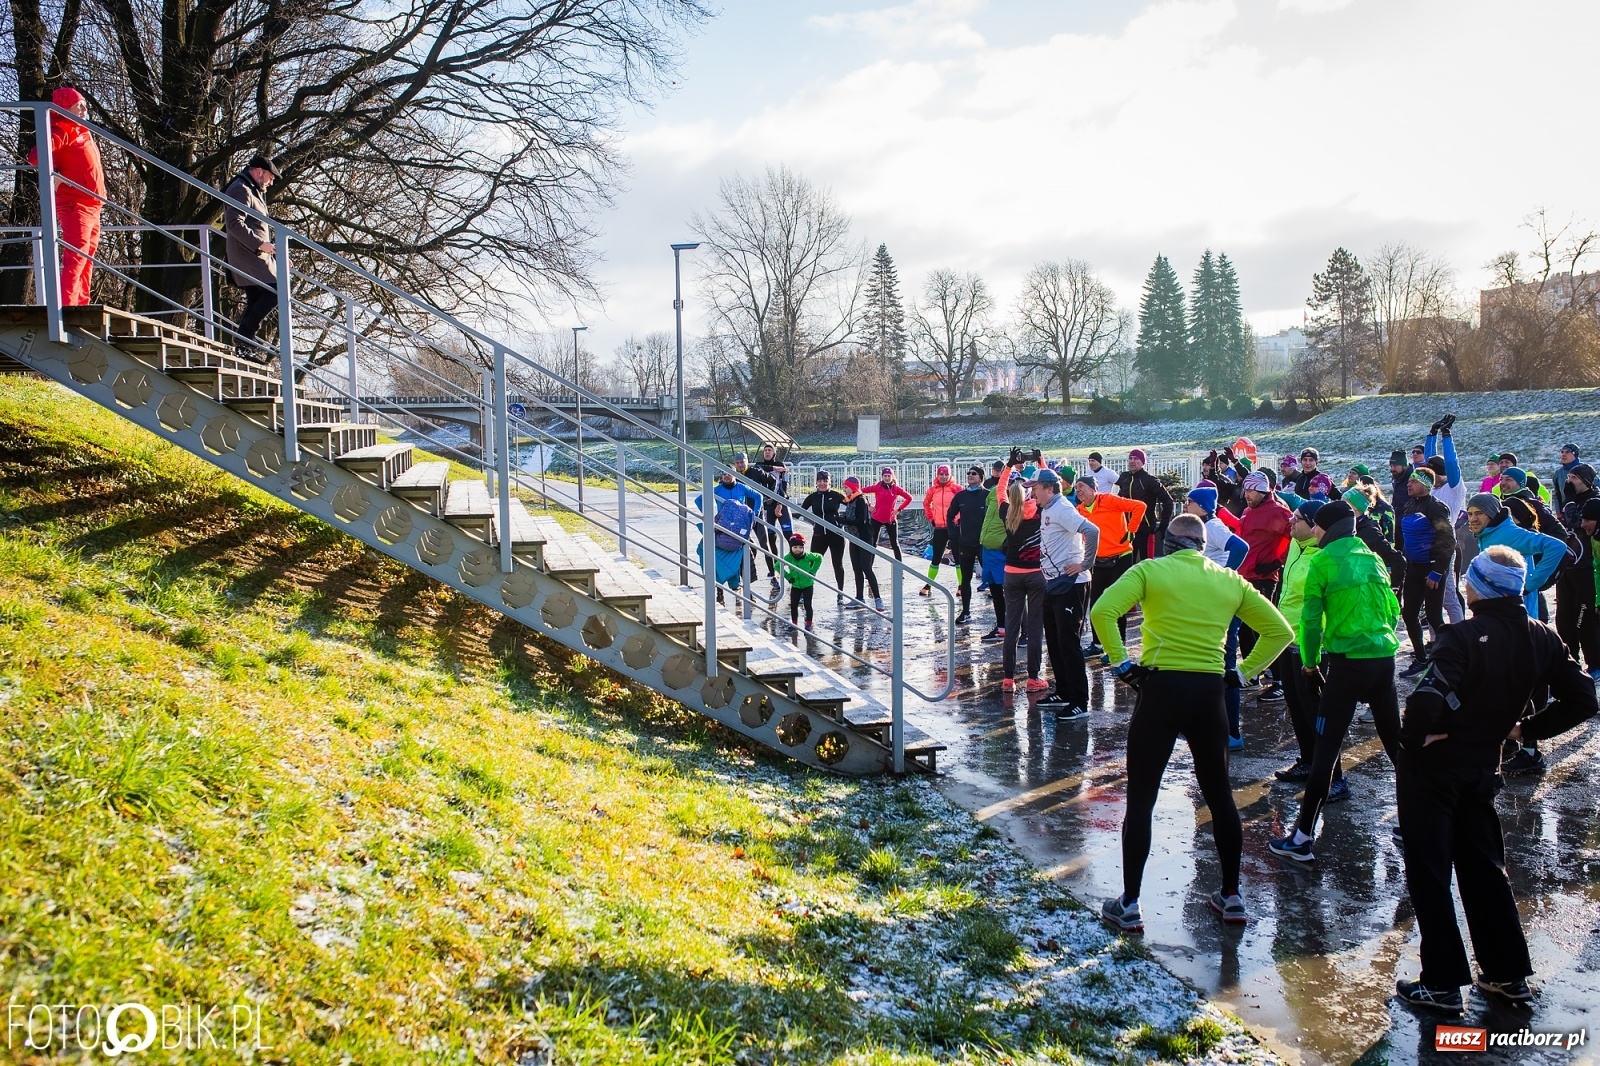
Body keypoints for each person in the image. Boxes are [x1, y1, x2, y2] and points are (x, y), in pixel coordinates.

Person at [1393, 546, 1597, 1015]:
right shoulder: (1540, 636)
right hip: (1485, 764)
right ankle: (1507, 974)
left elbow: (1424, 702)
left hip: (1434, 768)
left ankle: (1442, 984)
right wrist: (1523, 729)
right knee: (1485, 868)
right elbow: (1584, 699)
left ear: (1476, 587)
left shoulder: (1460, 636)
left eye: (1469, 580)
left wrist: (1414, 742)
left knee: (1429, 872)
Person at [1092, 514, 1292, 931]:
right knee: (1219, 794)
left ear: (1167, 543)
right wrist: (1242, 673)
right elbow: (1280, 631)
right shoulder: (1228, 580)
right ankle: (1232, 896)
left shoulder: (1150, 570)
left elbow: (1103, 611)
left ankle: (1130, 902)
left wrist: (1121, 663)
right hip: (1209, 692)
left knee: (1142, 797)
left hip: (1160, 688)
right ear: (1203, 545)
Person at [1270, 500, 1403, 864]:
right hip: (1383, 659)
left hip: (1346, 664)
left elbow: (1310, 623)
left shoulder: (1323, 561)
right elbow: (1392, 608)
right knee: (1396, 745)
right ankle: (1414, 818)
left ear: (1328, 528)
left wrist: (1311, 666)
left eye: (1317, 526)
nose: (1313, 531)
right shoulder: (1372, 556)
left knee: (1325, 750)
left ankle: (1301, 837)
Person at [1463, 492, 1571, 777]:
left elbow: (1557, 547)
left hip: (1519, 620)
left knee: (1525, 687)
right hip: (1500, 621)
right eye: (1470, 513)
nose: (1473, 518)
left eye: (1478, 514)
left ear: (1491, 514)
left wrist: (1531, 584)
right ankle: (1513, 743)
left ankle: (1531, 752)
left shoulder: (1510, 534)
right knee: (1508, 684)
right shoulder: (1489, 534)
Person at [1270, 501, 1344, 796]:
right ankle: (1308, 761)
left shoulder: (1324, 556)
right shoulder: (1294, 547)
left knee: (1318, 711)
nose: (1291, 521)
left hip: (1314, 643)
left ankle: (1334, 777)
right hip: (1288, 638)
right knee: (1296, 703)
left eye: (1298, 518)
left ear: (1313, 525)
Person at [27, 87, 104, 307]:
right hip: (75, 204)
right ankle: (68, 307)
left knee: (87, 258)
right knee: (76, 258)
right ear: (64, 107)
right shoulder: (63, 128)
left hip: (92, 204)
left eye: (84, 105)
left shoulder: (82, 130)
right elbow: (35, 156)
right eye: (77, 104)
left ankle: (81, 305)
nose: (83, 109)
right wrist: (56, 174)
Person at [1034, 468, 1098, 716]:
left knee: (1069, 643)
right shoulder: (1048, 508)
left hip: (1072, 583)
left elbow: (1092, 531)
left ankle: (1080, 701)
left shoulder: (1062, 508)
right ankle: (1063, 691)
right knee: (1054, 639)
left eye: (1036, 488)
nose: (1033, 493)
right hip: (1054, 583)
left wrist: (1085, 564)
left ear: (1049, 489)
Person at [1074, 474, 1147, 653]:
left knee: (1116, 602)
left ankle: (1118, 647)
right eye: (1076, 488)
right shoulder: (1079, 511)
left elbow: (1140, 506)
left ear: (1093, 489)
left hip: (1121, 557)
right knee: (1096, 604)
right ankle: (1098, 644)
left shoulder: (1109, 500)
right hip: (1098, 561)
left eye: (1081, 486)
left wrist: (1132, 531)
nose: (1078, 490)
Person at [223, 153, 284, 356]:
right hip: (248, 255)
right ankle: (244, 337)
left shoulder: (251, 190)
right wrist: (260, 245)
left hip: (257, 256)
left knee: (257, 298)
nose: (271, 181)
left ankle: (245, 346)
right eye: (270, 177)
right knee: (276, 291)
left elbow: (256, 226)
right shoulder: (240, 189)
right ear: (259, 172)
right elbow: (234, 224)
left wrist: (276, 253)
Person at [1398, 468, 1456, 674]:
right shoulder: (1409, 505)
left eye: (1414, 481)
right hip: (1414, 568)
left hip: (1432, 568)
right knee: (1409, 613)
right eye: (1409, 480)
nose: (1409, 484)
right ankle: (1422, 658)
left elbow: (1448, 540)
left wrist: (1438, 571)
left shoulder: (1435, 507)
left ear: (1426, 484)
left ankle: (1447, 658)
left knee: (1433, 616)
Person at [998, 475, 1047, 693]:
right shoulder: (1040, 510)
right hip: (1036, 573)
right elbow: (1052, 491)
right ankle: (1033, 678)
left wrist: (1008, 467)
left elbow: (1000, 488)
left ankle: (1008, 680)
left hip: (1011, 574)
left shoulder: (1007, 512)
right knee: (1035, 627)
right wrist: (1041, 463)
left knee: (1012, 627)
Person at [1424, 415, 1468, 623]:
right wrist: (1431, 434)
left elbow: (1451, 463)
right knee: (1431, 597)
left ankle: (1459, 634)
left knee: (1448, 596)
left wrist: (1446, 435)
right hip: (1427, 544)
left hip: (1445, 545)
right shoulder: (1432, 487)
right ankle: (1435, 638)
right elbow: (1428, 461)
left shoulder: (1454, 488)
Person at [695, 468, 760, 603]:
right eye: (723, 474)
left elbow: (758, 496)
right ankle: (719, 593)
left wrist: (755, 514)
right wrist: (709, 516)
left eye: (729, 473)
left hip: (739, 529)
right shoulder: (718, 489)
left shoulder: (741, 488)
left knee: (750, 551)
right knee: (713, 555)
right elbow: (699, 500)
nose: (726, 476)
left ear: (735, 475)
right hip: (722, 529)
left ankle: (746, 590)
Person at [1557, 463, 1598, 667]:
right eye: (1568, 477)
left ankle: (1595, 663)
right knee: (1564, 620)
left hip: (1586, 567)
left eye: (1573, 478)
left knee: (1585, 619)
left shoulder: (1594, 501)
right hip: (1567, 566)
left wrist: (1570, 500)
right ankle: (1569, 663)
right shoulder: (1569, 500)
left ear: (1585, 481)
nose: (1568, 482)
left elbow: (1576, 523)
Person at [945, 466, 989, 625]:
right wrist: (953, 534)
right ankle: (966, 611)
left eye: (974, 473)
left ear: (981, 477)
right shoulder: (961, 496)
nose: (970, 475)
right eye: (968, 473)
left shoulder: (987, 495)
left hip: (984, 544)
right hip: (965, 544)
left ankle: (1002, 616)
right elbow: (949, 515)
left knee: (994, 580)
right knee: (965, 579)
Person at [978, 462, 1013, 641]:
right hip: (987, 549)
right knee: (995, 592)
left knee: (1009, 594)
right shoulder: (993, 492)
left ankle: (1018, 630)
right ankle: (1001, 629)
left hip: (1001, 552)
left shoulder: (1015, 498)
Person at [800, 471, 847, 605]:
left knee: (837, 564)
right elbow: (800, 512)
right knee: (811, 563)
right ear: (816, 482)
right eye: (820, 481)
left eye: (825, 481)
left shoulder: (835, 495)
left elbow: (852, 506)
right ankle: (805, 592)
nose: (822, 483)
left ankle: (840, 594)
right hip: (819, 535)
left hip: (836, 535)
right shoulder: (812, 497)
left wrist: (842, 521)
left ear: (829, 482)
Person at [1117, 449, 1172, 562]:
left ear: (1143, 462)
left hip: (1144, 530)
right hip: (1126, 531)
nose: (1132, 461)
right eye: (1130, 458)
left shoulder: (1149, 480)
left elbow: (1168, 501)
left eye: (1136, 459)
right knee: (1127, 566)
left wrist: (1163, 524)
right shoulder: (1125, 478)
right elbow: (1119, 502)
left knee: (1146, 565)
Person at [733, 453, 780, 584]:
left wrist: (767, 497)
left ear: (747, 461)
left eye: (742, 462)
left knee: (765, 544)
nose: (740, 465)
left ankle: (773, 576)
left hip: (756, 514)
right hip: (741, 516)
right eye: (737, 463)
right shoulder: (733, 476)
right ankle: (741, 577)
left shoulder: (756, 472)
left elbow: (773, 480)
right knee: (740, 546)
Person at [838, 477, 882, 611]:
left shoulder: (861, 500)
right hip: (854, 538)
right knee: (856, 569)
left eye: (846, 487)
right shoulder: (851, 500)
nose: (844, 490)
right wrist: (841, 519)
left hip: (864, 538)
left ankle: (878, 599)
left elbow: (861, 521)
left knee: (866, 568)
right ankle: (859, 598)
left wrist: (843, 521)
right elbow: (850, 517)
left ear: (852, 487)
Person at [921, 465, 960, 596]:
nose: (943, 477)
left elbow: (964, 504)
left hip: (954, 527)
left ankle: (961, 586)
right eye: (941, 474)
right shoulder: (933, 490)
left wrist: (958, 519)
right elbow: (926, 504)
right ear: (937, 475)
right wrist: (931, 518)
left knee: (958, 558)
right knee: (936, 558)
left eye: (946, 474)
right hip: (939, 527)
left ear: (950, 475)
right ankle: (928, 584)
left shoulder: (956, 489)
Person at [861, 467, 912, 561]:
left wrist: (899, 509)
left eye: (889, 476)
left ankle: (899, 571)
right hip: (876, 518)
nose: (887, 478)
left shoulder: (896, 489)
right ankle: (869, 570)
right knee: (873, 543)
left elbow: (909, 498)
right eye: (885, 476)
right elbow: (861, 492)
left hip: (890, 519)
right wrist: (869, 506)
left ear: (892, 477)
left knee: (895, 544)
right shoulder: (877, 487)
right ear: (882, 477)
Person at [780, 535, 822, 630]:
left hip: (808, 584)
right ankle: (794, 624)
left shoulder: (808, 556)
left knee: (807, 604)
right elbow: (778, 565)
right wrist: (788, 576)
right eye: (795, 547)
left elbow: (819, 558)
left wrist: (812, 571)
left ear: (803, 548)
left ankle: (808, 624)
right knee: (794, 604)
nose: (797, 550)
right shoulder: (788, 557)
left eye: (800, 547)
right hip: (795, 585)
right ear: (791, 547)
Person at [756, 443, 792, 540]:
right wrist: (774, 468)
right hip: (767, 504)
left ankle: (793, 554)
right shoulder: (759, 465)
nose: (767, 452)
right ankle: (771, 555)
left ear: (774, 453)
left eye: (770, 450)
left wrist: (780, 503)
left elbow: (784, 485)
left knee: (789, 534)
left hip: (781, 502)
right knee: (770, 536)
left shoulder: (780, 465)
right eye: (765, 450)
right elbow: (759, 468)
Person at [1553, 444, 1581, 510]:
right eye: (1562, 452)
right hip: (1565, 511)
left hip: (1584, 510)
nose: (1563, 454)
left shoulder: (1585, 470)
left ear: (1575, 454)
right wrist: (1558, 512)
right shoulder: (1558, 473)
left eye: (1567, 452)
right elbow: (1557, 495)